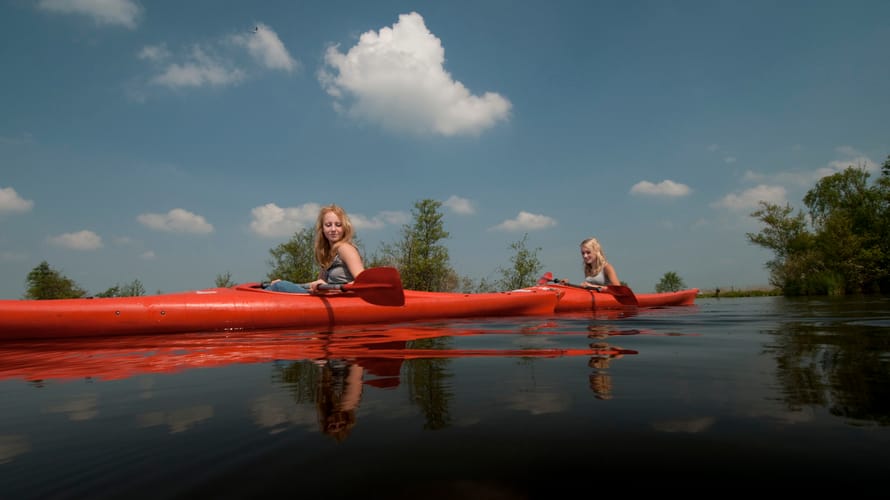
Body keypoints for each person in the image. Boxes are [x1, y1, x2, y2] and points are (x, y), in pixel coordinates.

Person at [266, 204, 365, 293]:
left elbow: (363, 281)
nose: (333, 229)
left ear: (344, 228)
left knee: (280, 286)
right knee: (279, 285)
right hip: (326, 298)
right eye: (328, 225)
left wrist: (331, 289)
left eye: (338, 225)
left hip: (340, 300)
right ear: (322, 229)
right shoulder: (327, 255)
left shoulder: (345, 248)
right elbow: (318, 284)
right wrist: (290, 285)